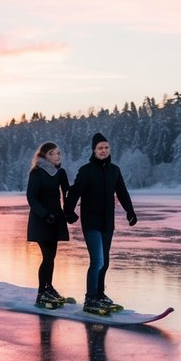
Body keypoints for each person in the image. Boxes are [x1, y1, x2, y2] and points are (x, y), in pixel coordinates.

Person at [64, 132, 136, 315]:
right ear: (94, 150)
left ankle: (100, 294)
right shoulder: (86, 171)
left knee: (105, 262)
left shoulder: (114, 170)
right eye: (100, 148)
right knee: (97, 261)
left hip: (107, 222)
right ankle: (90, 299)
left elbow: (122, 192)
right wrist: (68, 212)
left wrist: (130, 211)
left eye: (106, 147)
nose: (104, 151)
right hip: (91, 222)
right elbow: (74, 193)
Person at [26, 141, 73, 307]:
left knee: (51, 257)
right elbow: (31, 198)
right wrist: (45, 215)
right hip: (41, 221)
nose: (57, 156)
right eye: (54, 153)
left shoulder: (60, 173)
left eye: (59, 153)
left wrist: (69, 212)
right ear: (45, 155)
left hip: (56, 219)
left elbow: (68, 193)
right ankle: (41, 292)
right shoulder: (37, 173)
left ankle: (49, 287)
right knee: (47, 257)